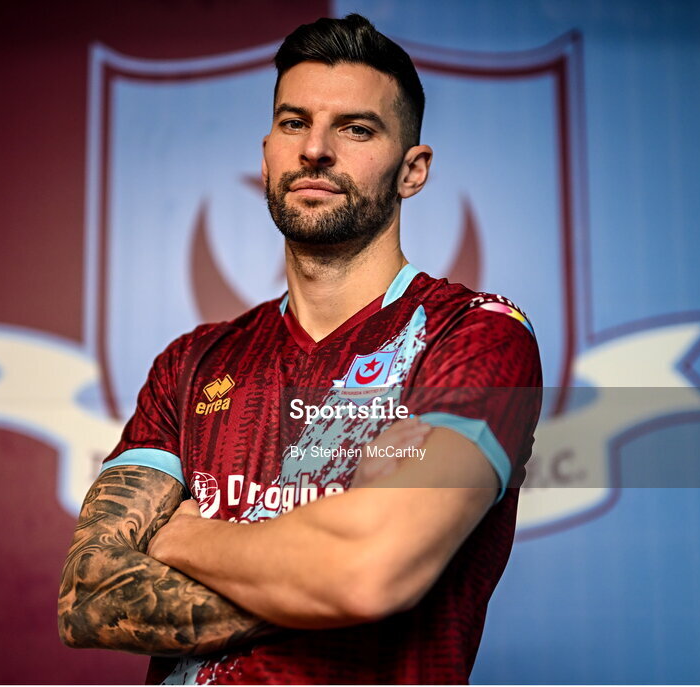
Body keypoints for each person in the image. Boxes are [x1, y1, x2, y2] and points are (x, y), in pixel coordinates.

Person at [58, 13, 542, 684]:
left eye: (355, 128)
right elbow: (90, 595)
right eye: (293, 123)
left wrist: (186, 537)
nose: (315, 149)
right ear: (266, 154)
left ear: (412, 170)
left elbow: (372, 569)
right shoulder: (192, 362)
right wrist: (314, 577)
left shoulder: (473, 335)